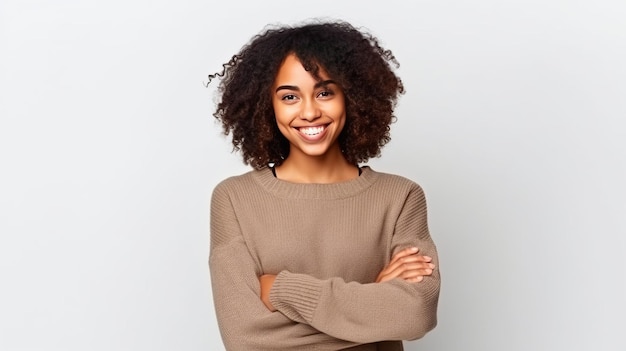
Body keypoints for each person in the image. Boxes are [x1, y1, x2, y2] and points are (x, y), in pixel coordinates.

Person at [207, 20, 440, 351]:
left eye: (325, 92)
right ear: (266, 106)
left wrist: (279, 290)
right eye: (289, 96)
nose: (310, 111)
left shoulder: (400, 198)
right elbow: (244, 338)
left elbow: (415, 314)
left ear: (352, 97)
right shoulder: (234, 199)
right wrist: (372, 301)